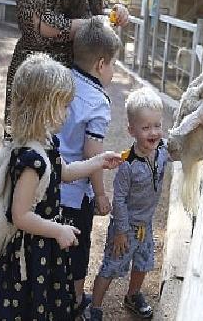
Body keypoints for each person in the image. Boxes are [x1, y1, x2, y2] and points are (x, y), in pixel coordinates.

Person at [0, 53, 123, 320]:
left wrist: (97, 161)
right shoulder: (32, 160)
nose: (68, 112)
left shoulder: (47, 142)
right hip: (31, 251)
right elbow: (21, 216)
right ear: (44, 106)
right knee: (30, 303)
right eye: (64, 106)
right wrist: (58, 230)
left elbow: (64, 172)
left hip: (46, 244)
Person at [3, 0, 130, 138]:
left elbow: (86, 11)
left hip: (75, 80)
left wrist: (112, 13)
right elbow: (37, 22)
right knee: (30, 157)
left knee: (68, 161)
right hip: (39, 78)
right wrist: (93, 23)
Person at [55, 16, 122, 316]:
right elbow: (92, 151)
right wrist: (101, 194)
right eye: (113, 64)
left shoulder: (60, 79)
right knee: (78, 249)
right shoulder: (98, 101)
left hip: (47, 182)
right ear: (100, 64)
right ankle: (75, 301)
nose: (113, 71)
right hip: (74, 192)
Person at [86, 87, 170, 321]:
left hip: (146, 224)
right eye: (146, 128)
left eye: (157, 125)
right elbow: (119, 199)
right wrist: (121, 231)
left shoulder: (162, 150)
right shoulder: (127, 164)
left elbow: (183, 149)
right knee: (111, 267)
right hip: (126, 227)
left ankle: (132, 295)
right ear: (131, 130)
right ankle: (95, 307)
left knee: (143, 263)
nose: (153, 132)